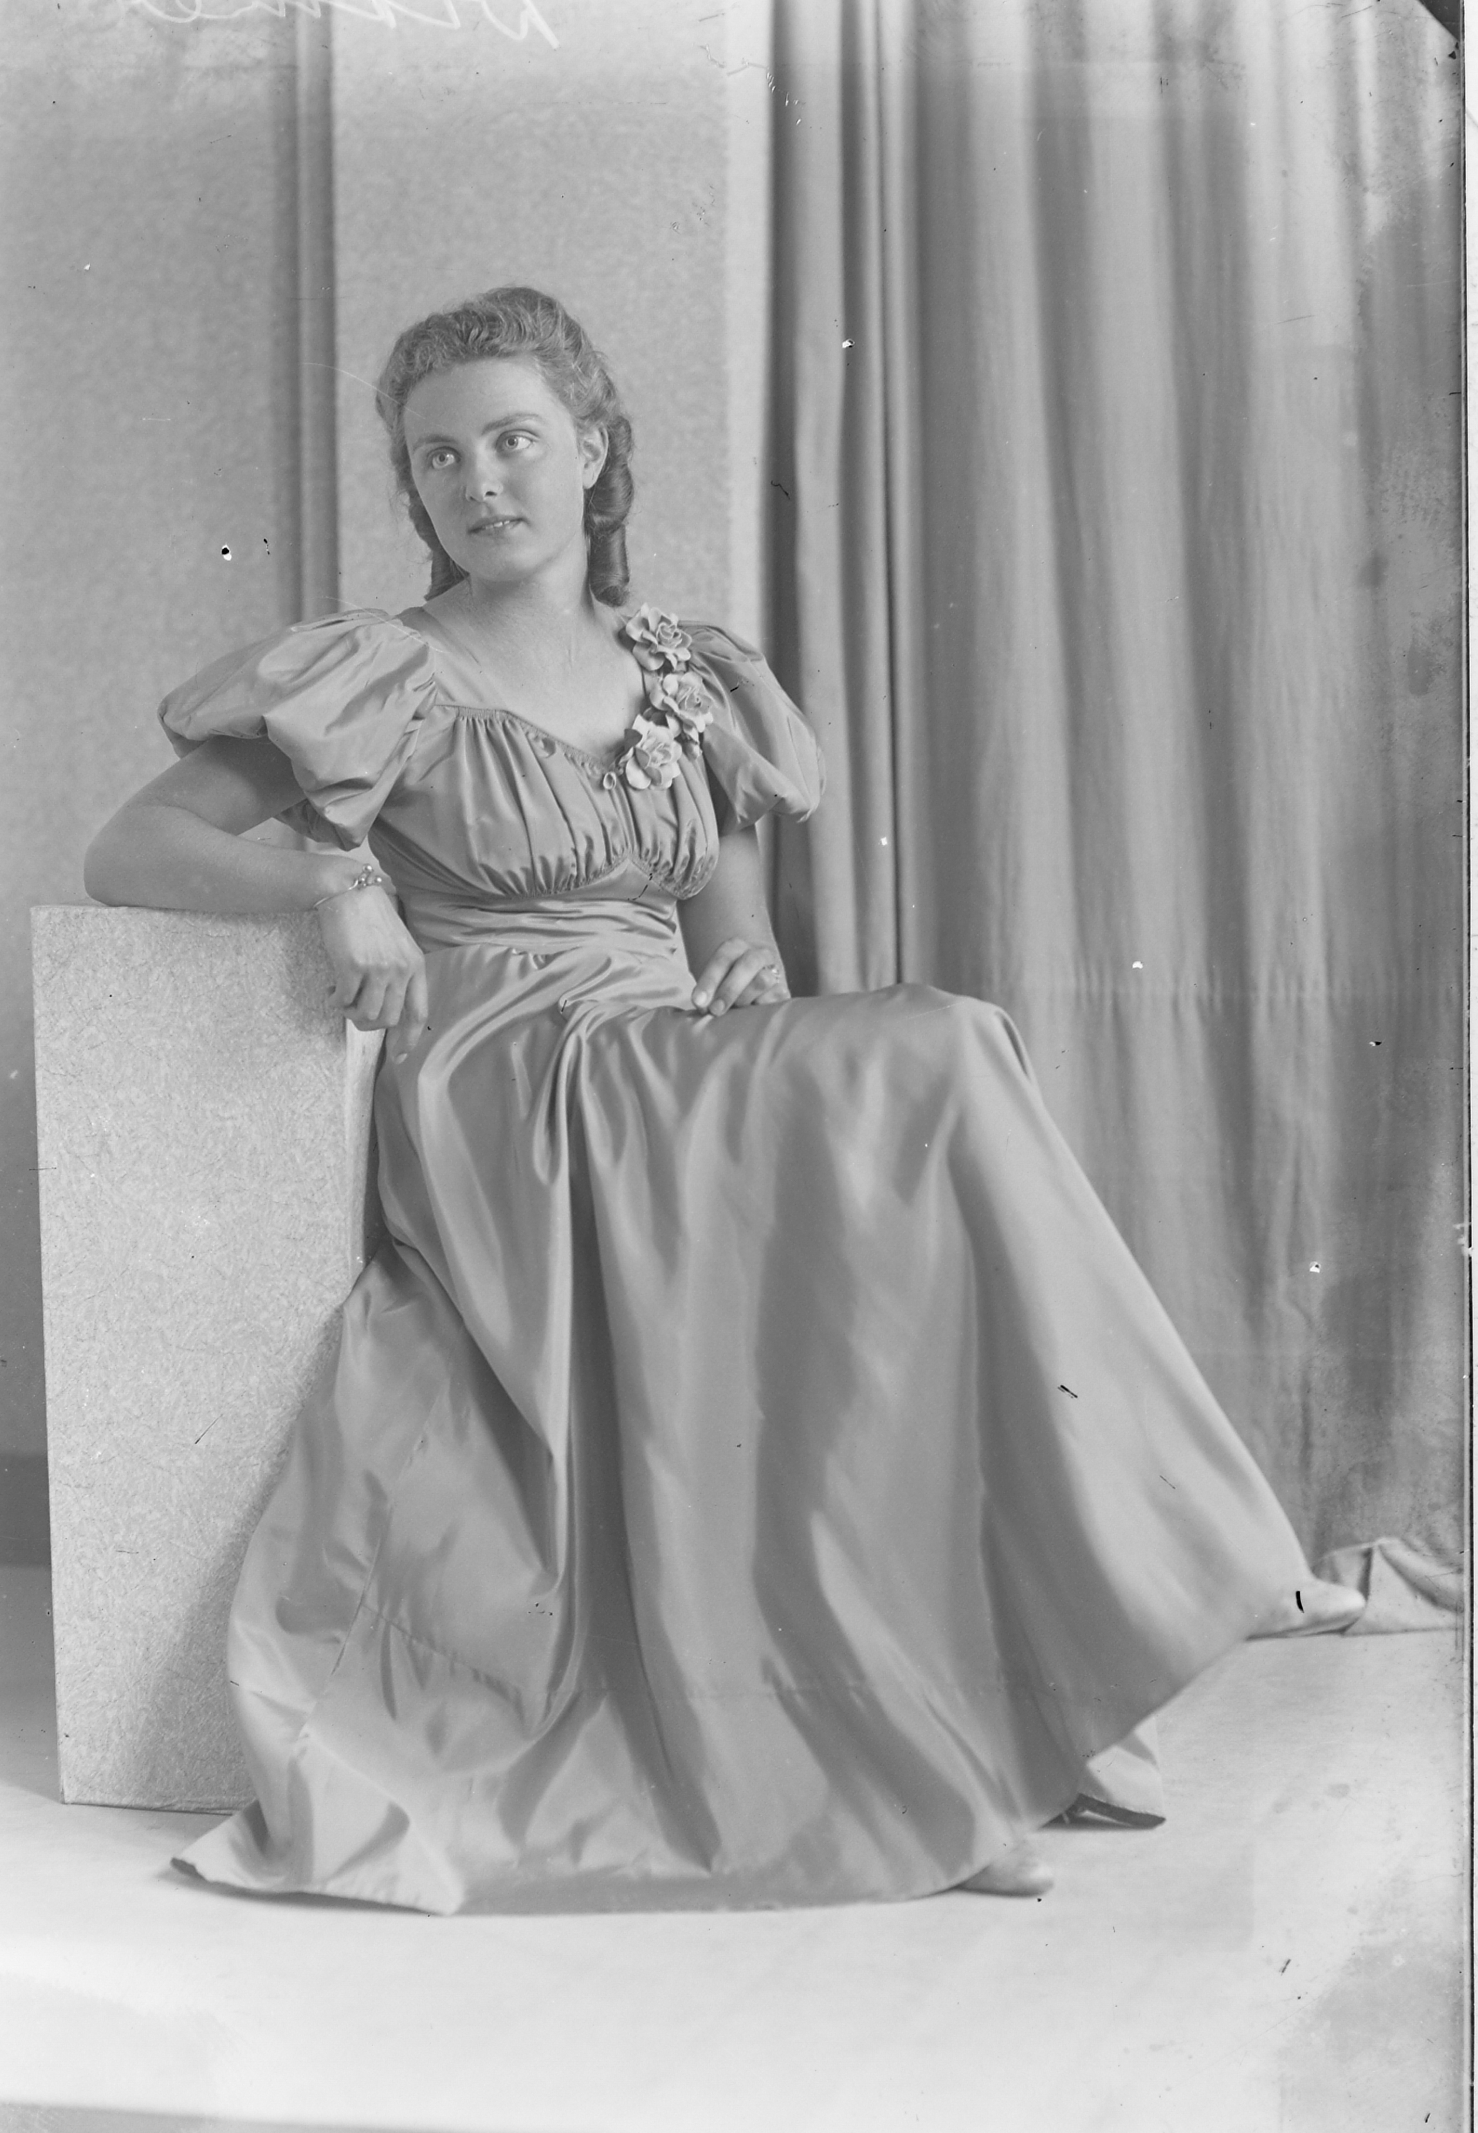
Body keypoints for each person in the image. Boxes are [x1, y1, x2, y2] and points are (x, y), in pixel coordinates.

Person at [85, 286, 1361, 1914]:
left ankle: (944, 1733)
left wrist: (749, 973)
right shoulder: (385, 673)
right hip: (512, 1079)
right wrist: (330, 882)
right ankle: (1132, 1601)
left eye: (514, 440)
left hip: (664, 1058)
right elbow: (130, 847)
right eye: (439, 457)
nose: (479, 481)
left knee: (905, 1155)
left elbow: (733, 943)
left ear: (593, 450)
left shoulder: (689, 677)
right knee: (942, 1050)